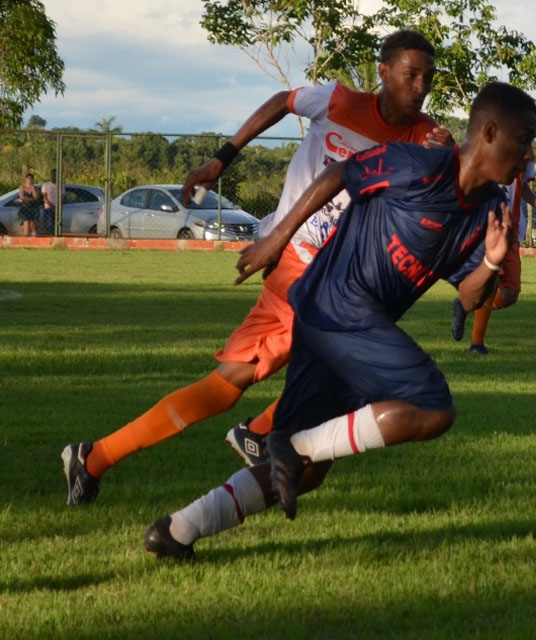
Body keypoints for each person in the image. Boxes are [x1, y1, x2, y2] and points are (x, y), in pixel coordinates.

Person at [142, 81, 536, 559]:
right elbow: (340, 175)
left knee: (307, 473)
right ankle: (291, 444)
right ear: (489, 132)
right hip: (335, 304)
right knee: (432, 406)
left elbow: (472, 299)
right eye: (523, 139)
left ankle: (179, 529)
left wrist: (492, 261)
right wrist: (276, 239)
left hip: (348, 326)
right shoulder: (419, 164)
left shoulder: (490, 209)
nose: (528, 154)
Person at [60, 29, 452, 506]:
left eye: (428, 79)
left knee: (253, 383)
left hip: (337, 279)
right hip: (301, 266)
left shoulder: (425, 138)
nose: (420, 87)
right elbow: (283, 101)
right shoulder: (337, 100)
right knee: (319, 374)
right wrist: (222, 159)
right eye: (411, 75)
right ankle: (254, 434)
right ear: (384, 72)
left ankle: (98, 457)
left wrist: (442, 159)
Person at [449, 160, 536, 354]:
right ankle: (477, 344)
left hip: (512, 229)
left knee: (509, 295)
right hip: (488, 224)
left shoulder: (525, 154)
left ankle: (464, 306)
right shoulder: (490, 147)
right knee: (493, 281)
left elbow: (522, 188)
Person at [40, 169, 62, 236]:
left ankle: (57, 235)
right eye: (53, 174)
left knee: (58, 224)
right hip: (48, 208)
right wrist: (52, 206)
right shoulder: (45, 185)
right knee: (50, 224)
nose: (54, 176)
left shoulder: (61, 185)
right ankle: (51, 236)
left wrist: (57, 205)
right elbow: (44, 198)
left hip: (59, 208)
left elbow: (63, 197)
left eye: (56, 175)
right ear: (51, 175)